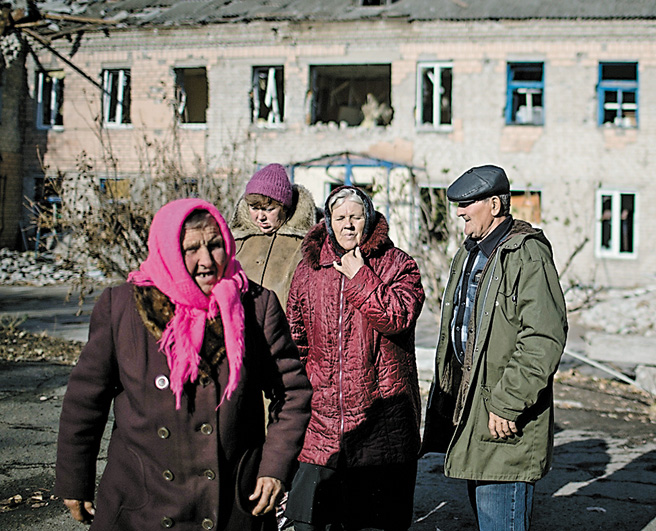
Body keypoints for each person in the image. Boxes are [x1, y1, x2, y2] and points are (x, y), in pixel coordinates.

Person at [54, 198, 313, 531]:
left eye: (216, 245)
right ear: (167, 250)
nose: (206, 261)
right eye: (191, 249)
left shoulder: (255, 306)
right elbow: (85, 400)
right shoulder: (122, 308)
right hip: (142, 499)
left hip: (231, 501)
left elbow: (292, 393)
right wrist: (75, 478)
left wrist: (273, 467)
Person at [421, 164, 568, 531]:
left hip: (504, 413)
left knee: (500, 519)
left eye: (468, 203)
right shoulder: (470, 251)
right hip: (475, 408)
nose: (459, 211)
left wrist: (507, 403)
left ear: (496, 205)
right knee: (485, 514)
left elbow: (543, 338)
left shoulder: (526, 254)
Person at [284, 185, 425, 531]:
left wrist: (360, 276)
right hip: (322, 426)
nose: (348, 225)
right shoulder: (309, 270)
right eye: (340, 217)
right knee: (308, 522)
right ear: (328, 222)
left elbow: (398, 318)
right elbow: (295, 342)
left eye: (356, 217)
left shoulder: (397, 265)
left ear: (370, 219)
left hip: (383, 428)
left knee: (373, 524)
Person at [232, 163, 318, 310]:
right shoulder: (236, 242)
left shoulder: (306, 244)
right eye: (254, 208)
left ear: (285, 207)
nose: (261, 217)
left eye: (269, 209)